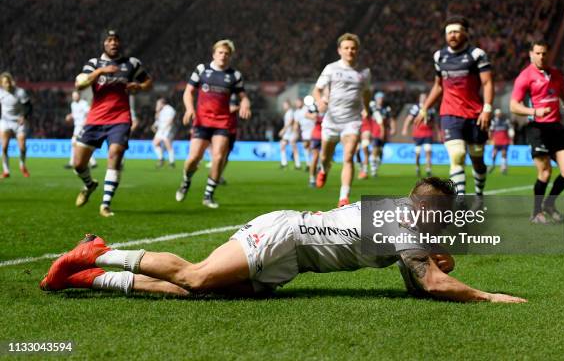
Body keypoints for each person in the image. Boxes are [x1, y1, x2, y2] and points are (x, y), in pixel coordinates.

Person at [40, 177, 526, 303]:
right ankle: (102, 251)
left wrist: (433, 261)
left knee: (199, 294)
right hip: (283, 236)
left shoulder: (398, 217)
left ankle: (89, 276)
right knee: (196, 274)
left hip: (292, 258)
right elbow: (431, 285)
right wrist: (488, 295)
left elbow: (419, 275)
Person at [72, 29, 153, 217]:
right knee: (78, 164)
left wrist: (139, 86)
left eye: (116, 40)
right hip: (95, 119)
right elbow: (79, 84)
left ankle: (105, 204)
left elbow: (148, 82)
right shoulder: (93, 64)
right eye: (109, 40)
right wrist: (100, 71)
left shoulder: (131, 63)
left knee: (115, 154)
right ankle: (89, 185)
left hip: (120, 118)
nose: (113, 43)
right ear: (104, 43)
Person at [414, 16, 494, 197]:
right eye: (449, 32)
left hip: (475, 115)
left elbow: (488, 83)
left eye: (456, 31)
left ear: (465, 33)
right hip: (450, 114)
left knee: (477, 160)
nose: (452, 35)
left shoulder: (477, 55)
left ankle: (479, 193)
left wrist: (487, 108)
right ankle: (460, 201)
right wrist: (425, 107)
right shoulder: (439, 56)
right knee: (457, 155)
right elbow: (438, 85)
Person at [175, 39, 251, 208]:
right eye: (220, 52)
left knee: (218, 157)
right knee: (193, 158)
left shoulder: (234, 75)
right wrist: (189, 109)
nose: (223, 56)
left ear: (230, 56)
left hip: (222, 122)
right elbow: (188, 92)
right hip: (202, 121)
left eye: (226, 53)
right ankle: (186, 181)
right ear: (214, 54)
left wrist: (245, 103)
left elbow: (243, 96)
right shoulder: (202, 70)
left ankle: (208, 195)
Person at [510, 40, 564, 224]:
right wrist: (534, 111)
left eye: (544, 53)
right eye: (537, 53)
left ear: (549, 54)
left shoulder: (556, 74)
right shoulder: (525, 76)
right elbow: (514, 105)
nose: (541, 56)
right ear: (531, 54)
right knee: (545, 171)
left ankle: (549, 204)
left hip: (556, 127)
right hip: (537, 128)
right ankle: (536, 212)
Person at [313, 33, 372, 207]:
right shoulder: (331, 69)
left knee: (348, 157)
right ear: (340, 50)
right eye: (346, 48)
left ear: (357, 51)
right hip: (331, 120)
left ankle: (343, 197)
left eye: (353, 48)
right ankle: (323, 169)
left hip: (352, 121)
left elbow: (367, 93)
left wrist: (366, 108)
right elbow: (317, 90)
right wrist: (320, 100)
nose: (350, 51)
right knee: (325, 156)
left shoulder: (364, 73)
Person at [0, 72, 32, 178]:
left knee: (22, 147)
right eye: (5, 82)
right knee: (4, 147)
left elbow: (28, 106)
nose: (7, 84)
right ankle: (6, 171)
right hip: (5, 121)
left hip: (19, 122)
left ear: (11, 82)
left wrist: (24, 116)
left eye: (8, 81)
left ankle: (22, 165)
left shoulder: (20, 92)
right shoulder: (1, 93)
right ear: (1, 84)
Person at [402, 93, 436, 178]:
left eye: (425, 97)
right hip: (418, 134)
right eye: (422, 97)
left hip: (428, 133)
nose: (424, 99)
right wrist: (405, 128)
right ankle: (417, 167)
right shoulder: (416, 108)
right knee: (417, 153)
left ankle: (428, 170)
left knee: (428, 151)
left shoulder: (431, 108)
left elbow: (434, 122)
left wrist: (438, 132)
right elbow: (409, 118)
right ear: (420, 99)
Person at [65, 91, 97, 169]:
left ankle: (72, 162)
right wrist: (70, 116)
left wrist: (86, 122)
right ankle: (93, 162)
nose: (74, 97)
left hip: (83, 126)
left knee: (74, 141)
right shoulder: (73, 104)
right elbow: (75, 114)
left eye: (75, 96)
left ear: (79, 96)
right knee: (82, 144)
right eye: (73, 96)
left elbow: (89, 113)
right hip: (77, 126)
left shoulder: (84, 104)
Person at [369, 92, 394, 177]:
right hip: (375, 132)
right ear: (376, 99)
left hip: (385, 132)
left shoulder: (386, 109)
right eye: (379, 98)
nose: (381, 100)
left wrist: (393, 128)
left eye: (382, 98)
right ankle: (373, 169)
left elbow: (391, 119)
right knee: (375, 149)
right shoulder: (372, 107)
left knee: (381, 150)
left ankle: (377, 163)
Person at [152, 97, 177, 168]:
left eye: (158, 103)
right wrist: (157, 111)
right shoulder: (160, 110)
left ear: (162, 103)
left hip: (168, 129)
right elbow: (157, 119)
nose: (157, 105)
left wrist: (165, 128)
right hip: (161, 129)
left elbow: (171, 120)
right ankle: (161, 159)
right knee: (155, 143)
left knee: (168, 145)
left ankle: (172, 162)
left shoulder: (170, 109)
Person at [488, 109, 514, 175]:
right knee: (494, 153)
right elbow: (491, 130)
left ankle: (503, 167)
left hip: (504, 140)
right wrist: (490, 139)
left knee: (504, 153)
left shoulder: (506, 121)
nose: (498, 115)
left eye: (499, 113)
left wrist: (511, 138)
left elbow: (510, 129)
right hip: (497, 140)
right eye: (497, 114)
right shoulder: (493, 121)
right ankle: (492, 165)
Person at [293, 97, 315, 171]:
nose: (297, 104)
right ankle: (308, 164)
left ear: (302, 102)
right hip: (304, 131)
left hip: (312, 128)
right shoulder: (296, 112)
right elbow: (296, 123)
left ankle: (316, 164)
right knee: (306, 146)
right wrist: (295, 132)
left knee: (313, 147)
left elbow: (315, 116)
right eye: (296, 103)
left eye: (298, 102)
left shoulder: (307, 108)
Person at [279, 100, 300, 169]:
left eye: (285, 105)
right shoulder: (287, 112)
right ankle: (284, 163)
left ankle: (297, 164)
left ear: (288, 105)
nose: (284, 106)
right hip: (287, 133)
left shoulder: (290, 112)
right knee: (282, 145)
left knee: (294, 148)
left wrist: (283, 130)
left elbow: (291, 122)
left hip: (291, 133)